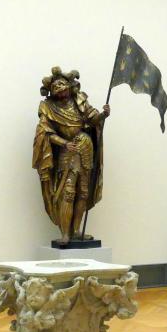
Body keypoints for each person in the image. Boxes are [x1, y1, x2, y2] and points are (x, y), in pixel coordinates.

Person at [33, 67, 110, 245]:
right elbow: (45, 132)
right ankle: (65, 233)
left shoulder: (79, 100)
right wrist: (64, 143)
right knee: (67, 192)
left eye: (63, 86)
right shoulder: (48, 107)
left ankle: (76, 231)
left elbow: (93, 119)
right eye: (56, 88)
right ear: (52, 91)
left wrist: (103, 115)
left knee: (83, 192)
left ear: (70, 86)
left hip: (85, 146)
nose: (61, 91)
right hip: (67, 149)